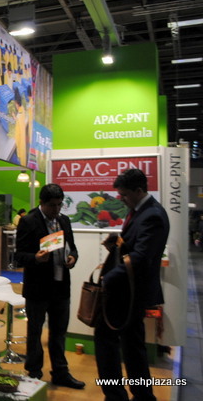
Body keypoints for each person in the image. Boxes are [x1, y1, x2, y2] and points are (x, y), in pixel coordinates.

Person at [95, 168, 169, 401]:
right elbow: (135, 248)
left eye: (125, 194)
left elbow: (142, 257)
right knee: (132, 347)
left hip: (129, 293)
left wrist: (108, 278)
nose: (121, 199)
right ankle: (141, 395)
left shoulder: (152, 215)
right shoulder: (140, 211)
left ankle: (117, 395)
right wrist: (118, 243)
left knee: (107, 342)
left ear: (139, 190)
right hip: (128, 292)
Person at [15, 183, 84, 389]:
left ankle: (61, 372)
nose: (56, 209)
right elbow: (19, 256)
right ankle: (34, 372)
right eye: (52, 205)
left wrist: (73, 258)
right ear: (42, 203)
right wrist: (35, 258)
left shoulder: (64, 221)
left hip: (61, 286)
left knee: (59, 332)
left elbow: (73, 249)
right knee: (35, 332)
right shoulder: (29, 221)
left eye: (59, 205)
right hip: (38, 288)